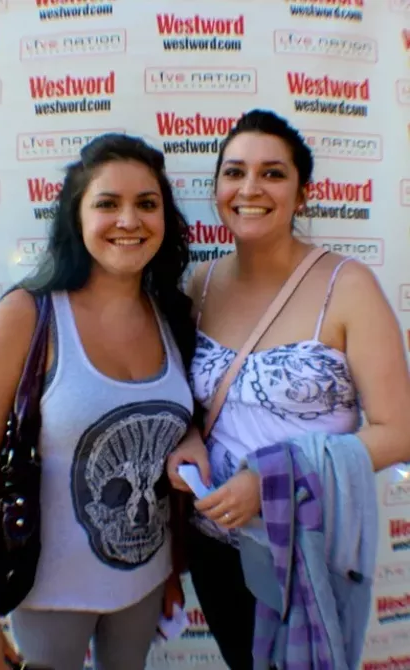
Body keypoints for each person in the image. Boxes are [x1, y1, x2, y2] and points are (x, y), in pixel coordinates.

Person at [167, 109, 410, 669]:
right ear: (217, 188)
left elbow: (398, 432)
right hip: (215, 546)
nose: (250, 188)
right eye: (235, 172)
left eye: (272, 173)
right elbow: (190, 399)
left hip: (306, 546)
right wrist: (189, 437)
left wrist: (271, 479)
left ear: (303, 195)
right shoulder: (202, 282)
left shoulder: (347, 286)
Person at [0, 133, 196, 670]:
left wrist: (172, 569)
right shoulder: (28, 315)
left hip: (146, 584)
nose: (129, 220)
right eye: (108, 203)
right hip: (49, 596)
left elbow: (173, 431)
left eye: (147, 204)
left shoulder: (172, 316)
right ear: (77, 215)